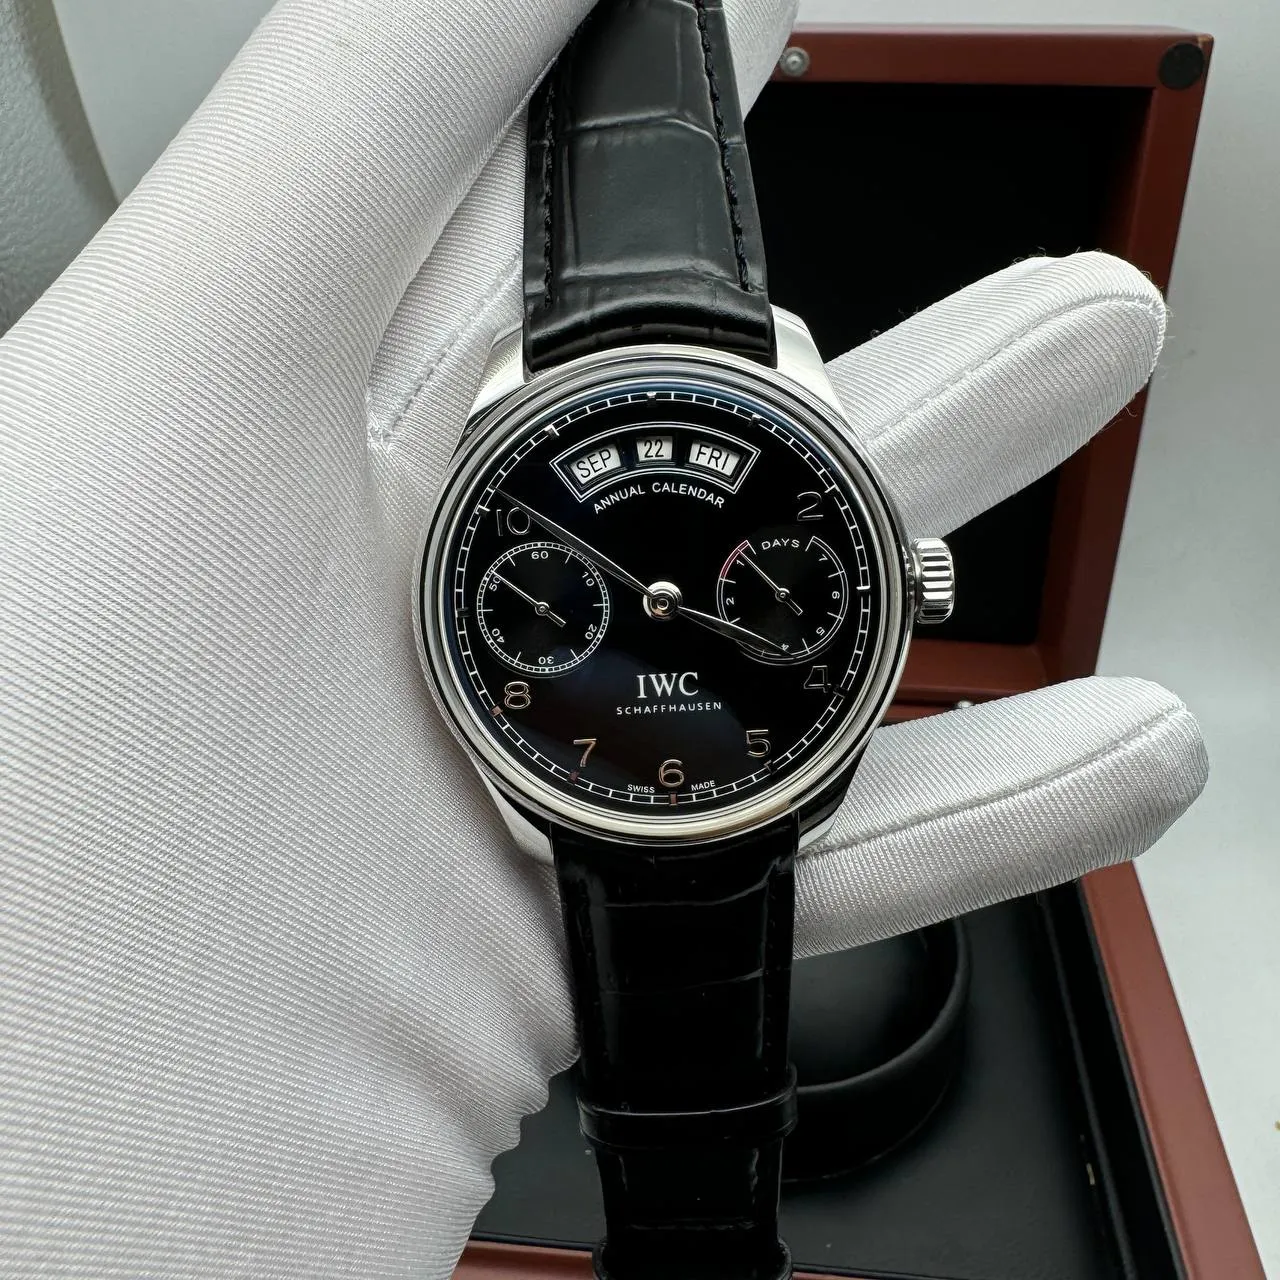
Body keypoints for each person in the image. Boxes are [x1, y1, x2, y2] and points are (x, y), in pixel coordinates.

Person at [0, 0, 1206, 1275]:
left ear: (903, 583)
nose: (662, 605)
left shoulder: (618, 542)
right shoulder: (529, 552)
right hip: (595, 782)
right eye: (618, 600)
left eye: (762, 597)